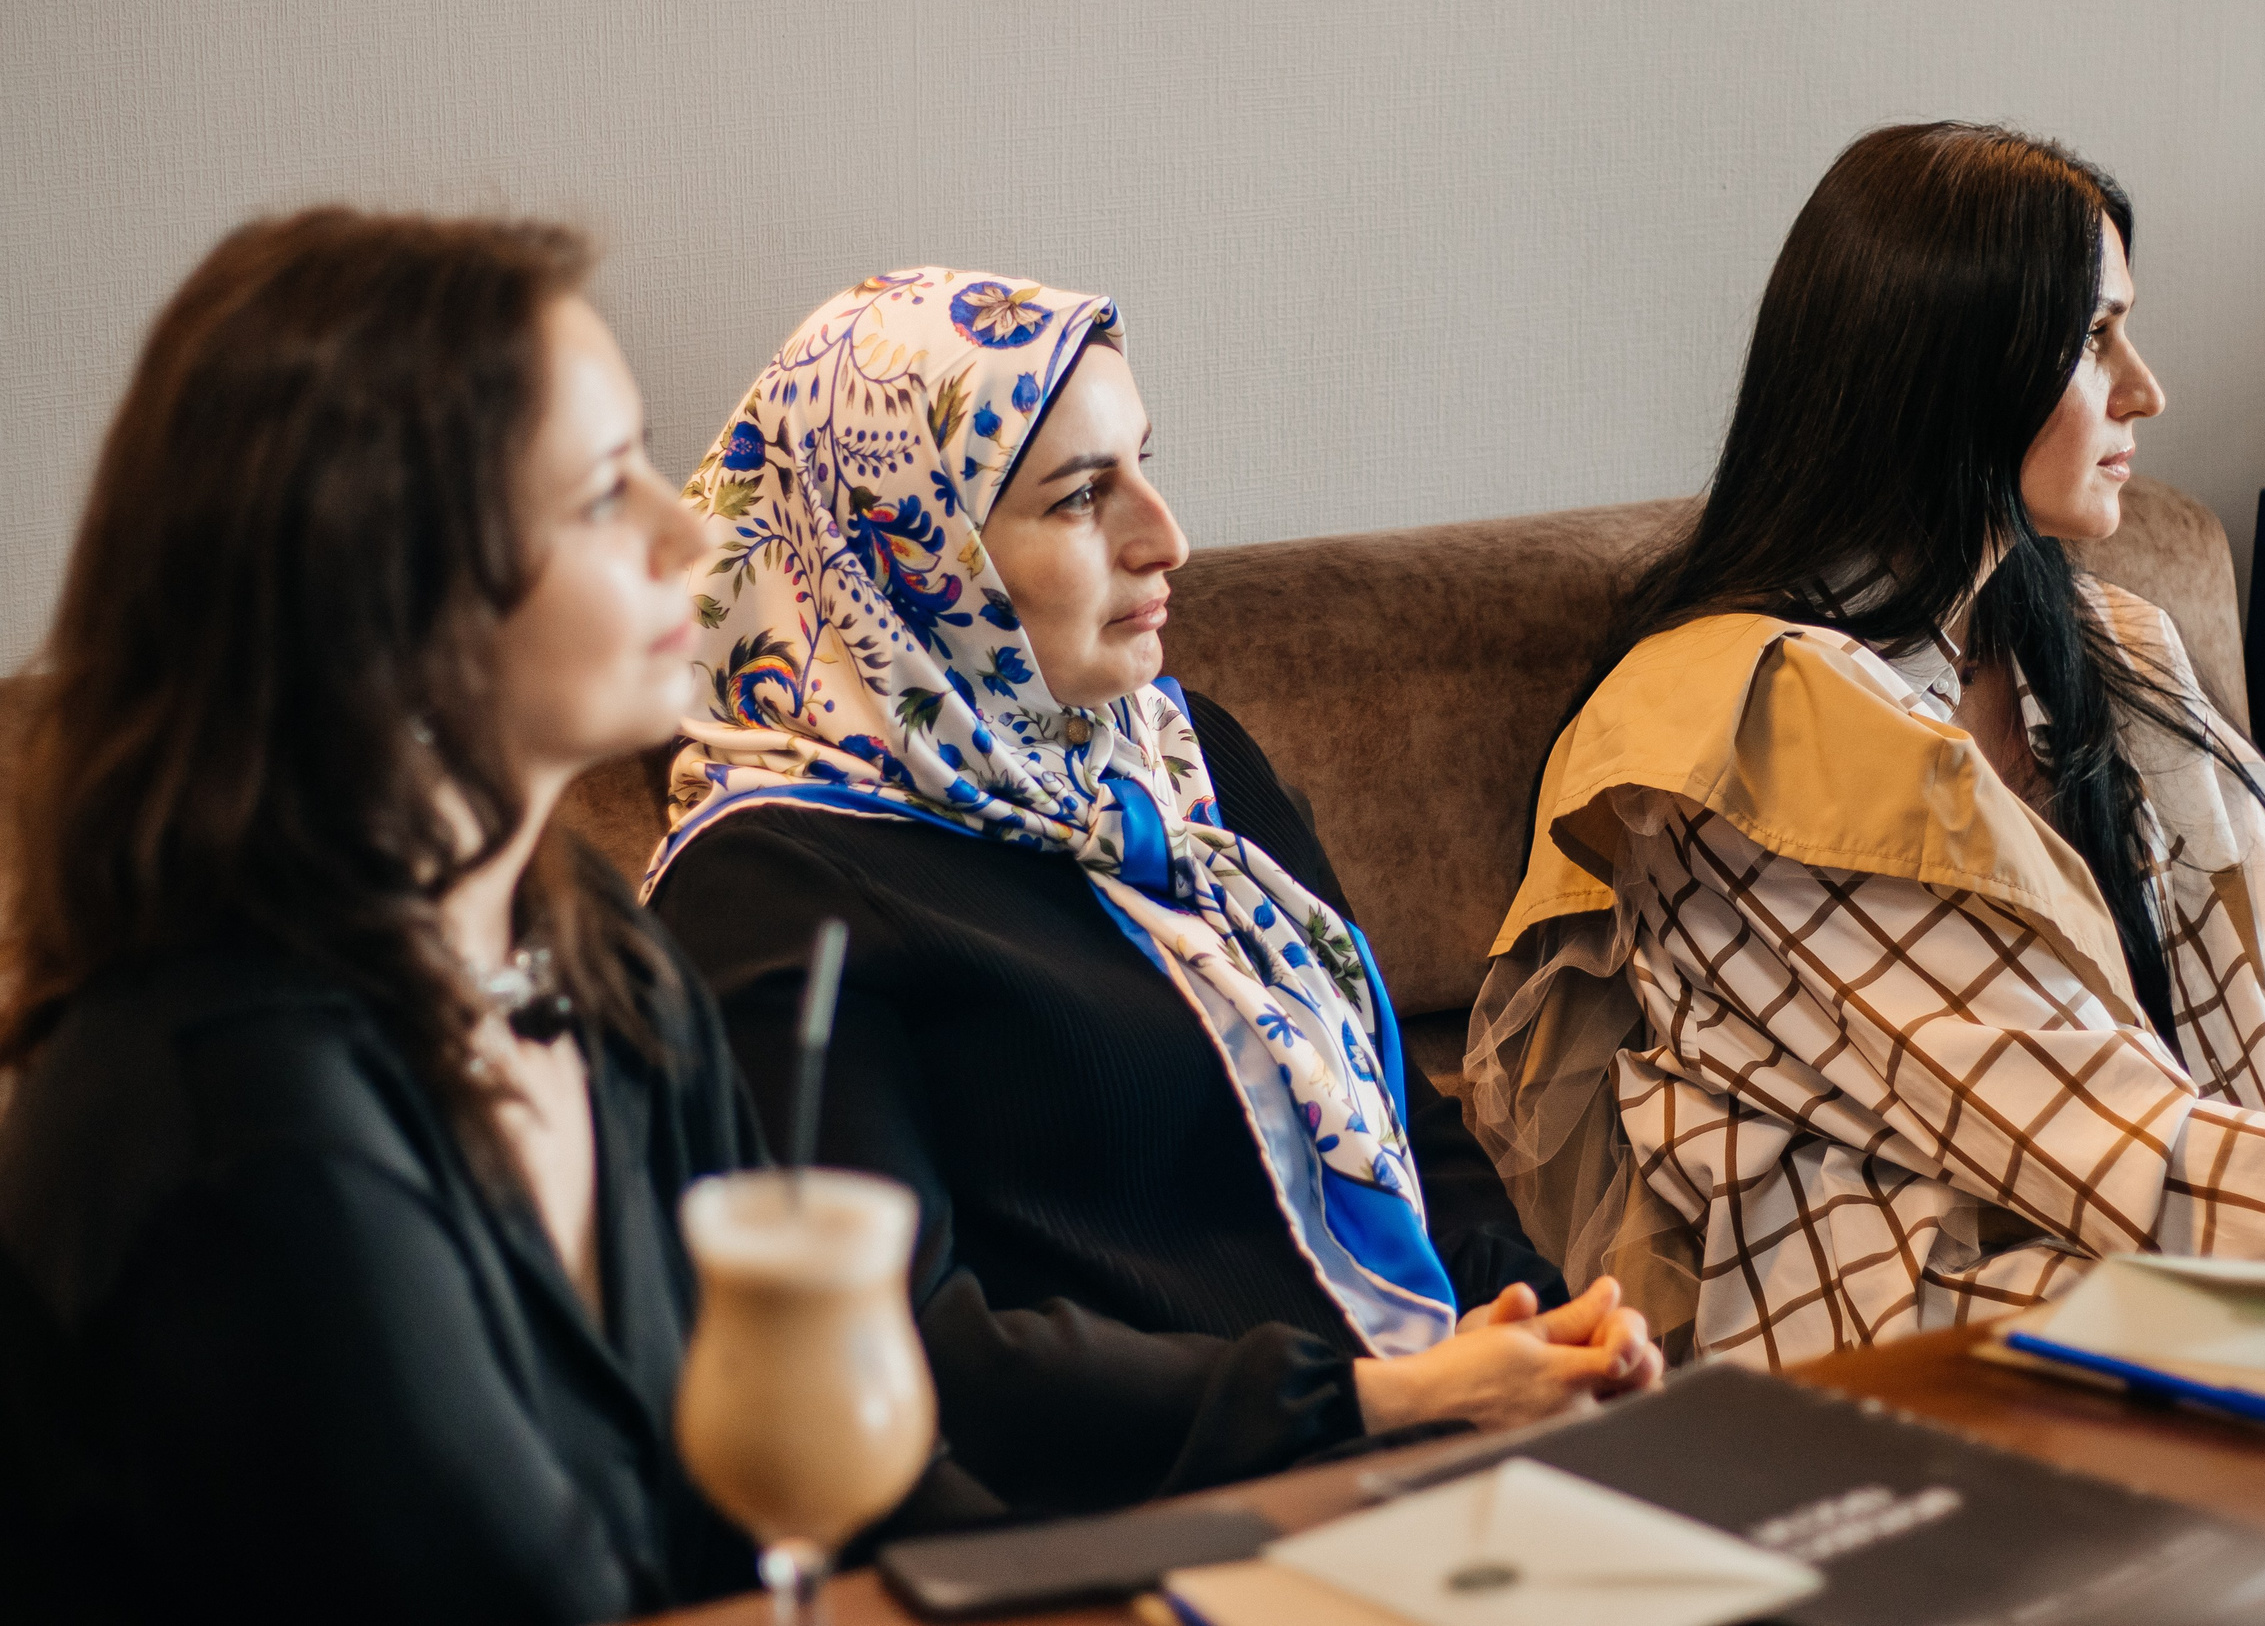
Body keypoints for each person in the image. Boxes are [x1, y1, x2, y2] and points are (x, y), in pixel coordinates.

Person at [1467, 123, 2265, 1370]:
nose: (2147, 389)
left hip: (2183, 1260)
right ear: (1949, 368)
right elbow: (2102, 1145)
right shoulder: (1743, 726)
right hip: (1922, 1347)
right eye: (2093, 340)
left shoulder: (2105, 652)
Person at [646, 268, 1663, 1516]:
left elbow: (1395, 1112)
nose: (1164, 536)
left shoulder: (1181, 759)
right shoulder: (771, 885)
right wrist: (1387, 1399)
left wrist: (1548, 1323)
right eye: (1081, 496)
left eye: (1143, 463)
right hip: (1144, 1529)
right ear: (909, 559)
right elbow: (901, 1351)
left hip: (1428, 1459)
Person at [0, 209, 766, 1623]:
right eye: (607, 494)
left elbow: (789, 1473)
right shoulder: (241, 1110)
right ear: (386, 596)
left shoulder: (589, 943)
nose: (690, 524)